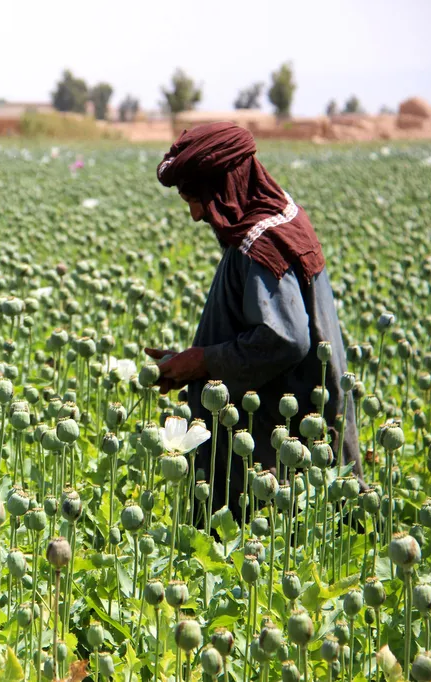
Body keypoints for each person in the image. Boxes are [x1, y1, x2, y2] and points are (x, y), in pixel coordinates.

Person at [146, 122, 360, 512]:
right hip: (288, 439)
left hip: (274, 455)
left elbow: (285, 338)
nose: (196, 215)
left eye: (199, 200)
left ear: (225, 189)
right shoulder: (282, 218)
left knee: (275, 551)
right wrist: (193, 361)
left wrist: (204, 361)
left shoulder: (260, 245)